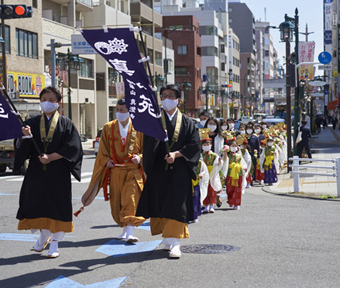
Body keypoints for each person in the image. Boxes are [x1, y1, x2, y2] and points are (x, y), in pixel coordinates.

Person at [15, 86, 83, 258]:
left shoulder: (66, 124)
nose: (48, 103)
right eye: (44, 99)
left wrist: (52, 157)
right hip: (37, 172)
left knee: (58, 207)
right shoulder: (31, 123)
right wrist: (24, 136)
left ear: (59, 103)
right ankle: (44, 235)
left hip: (58, 172)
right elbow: (22, 147)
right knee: (37, 205)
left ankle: (55, 243)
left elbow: (73, 147)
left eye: (52, 100)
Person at [136, 84, 201, 259]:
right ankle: (167, 237)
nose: (166, 99)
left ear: (177, 100)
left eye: (170, 96)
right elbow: (146, 147)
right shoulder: (155, 122)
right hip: (159, 171)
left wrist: (177, 154)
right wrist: (157, 138)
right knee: (161, 204)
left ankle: (175, 244)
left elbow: (195, 146)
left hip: (179, 171)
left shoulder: (188, 122)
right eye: (163, 95)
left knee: (176, 206)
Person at [81, 98, 145, 243]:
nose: (119, 113)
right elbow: (102, 151)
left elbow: (147, 150)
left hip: (133, 171)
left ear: (130, 111)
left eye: (123, 110)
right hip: (116, 171)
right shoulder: (108, 127)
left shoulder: (139, 127)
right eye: (118, 110)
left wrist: (140, 158)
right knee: (117, 203)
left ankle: (130, 231)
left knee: (131, 200)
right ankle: (124, 228)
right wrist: (106, 161)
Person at [200, 133, 224, 214]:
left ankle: (211, 205)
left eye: (208, 144)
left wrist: (219, 163)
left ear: (211, 145)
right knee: (204, 189)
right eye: (204, 144)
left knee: (212, 190)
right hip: (204, 173)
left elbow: (219, 164)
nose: (206, 146)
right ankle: (206, 205)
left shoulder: (214, 155)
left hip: (212, 173)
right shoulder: (201, 155)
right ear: (202, 146)